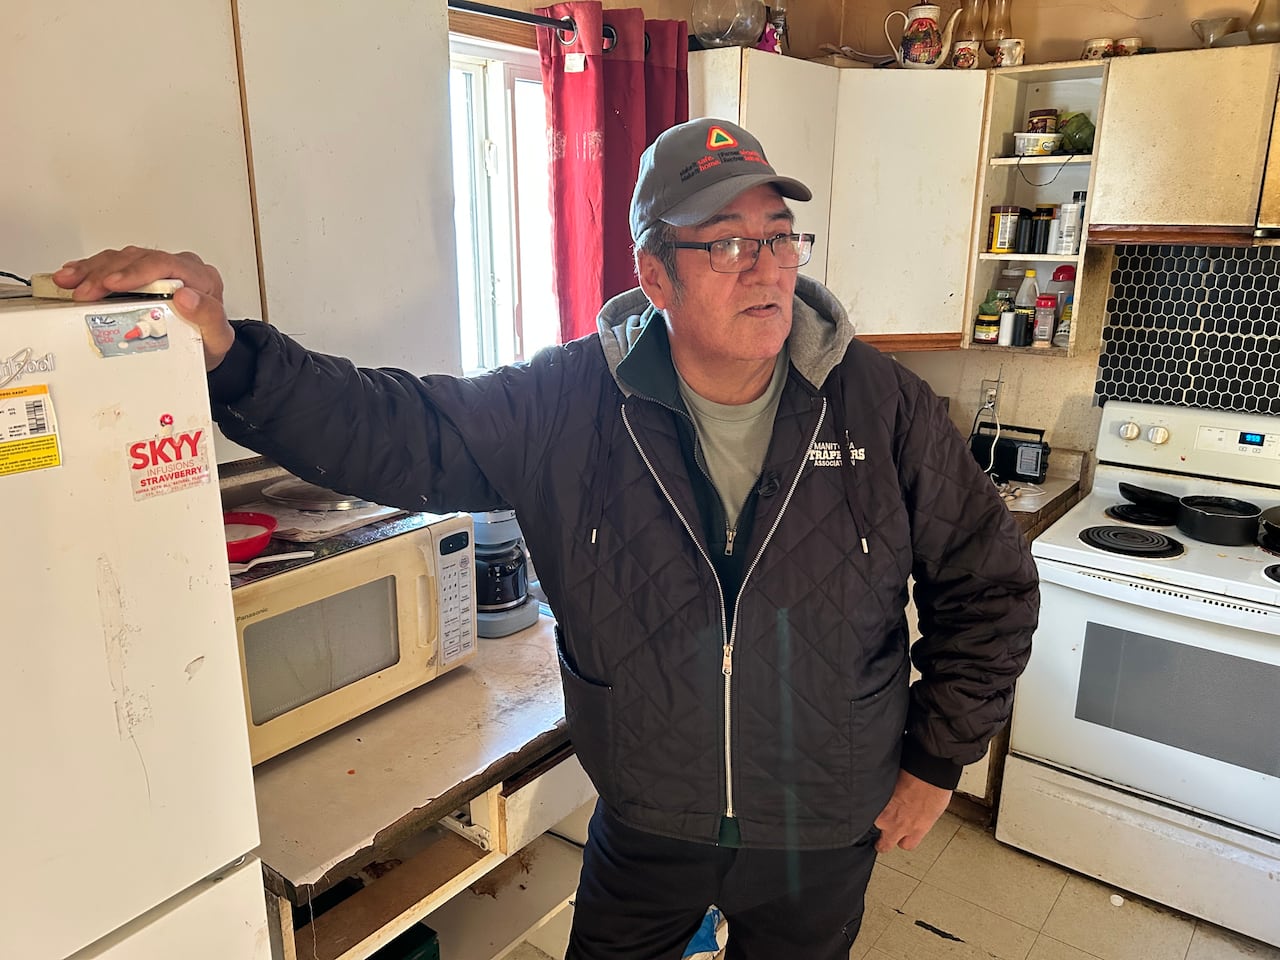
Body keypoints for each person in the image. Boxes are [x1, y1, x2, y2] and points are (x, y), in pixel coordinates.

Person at [56, 117, 1038, 960]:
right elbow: (398, 427)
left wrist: (932, 761)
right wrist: (231, 353)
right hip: (648, 815)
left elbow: (988, 588)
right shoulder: (566, 402)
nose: (767, 268)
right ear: (653, 273)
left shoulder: (880, 404)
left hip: (823, 824)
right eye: (725, 243)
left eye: (780, 238)